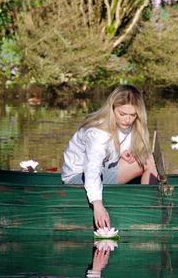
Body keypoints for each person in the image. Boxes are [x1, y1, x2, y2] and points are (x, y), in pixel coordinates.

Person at [62, 85, 159, 229]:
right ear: (112, 108)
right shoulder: (97, 133)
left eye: (133, 115)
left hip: (105, 167)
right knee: (151, 161)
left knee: (157, 160)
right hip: (78, 177)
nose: (127, 119)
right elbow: (92, 169)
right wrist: (98, 205)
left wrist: (123, 152)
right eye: (122, 114)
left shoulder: (128, 123)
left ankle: (148, 206)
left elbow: (113, 147)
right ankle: (146, 211)